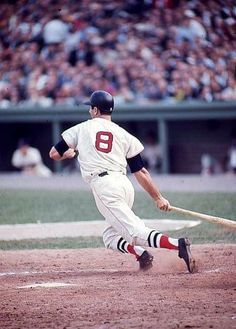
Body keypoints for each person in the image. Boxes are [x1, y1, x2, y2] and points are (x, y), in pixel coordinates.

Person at [49, 90, 195, 273]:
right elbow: (141, 171)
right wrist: (158, 197)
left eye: (90, 108)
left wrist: (68, 154)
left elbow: (54, 154)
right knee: (110, 236)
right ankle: (141, 255)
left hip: (105, 186)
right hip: (125, 185)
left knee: (135, 232)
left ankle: (178, 244)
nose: (89, 111)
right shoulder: (123, 134)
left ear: (95, 110)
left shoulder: (81, 128)